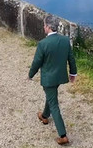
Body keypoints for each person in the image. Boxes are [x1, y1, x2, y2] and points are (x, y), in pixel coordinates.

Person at [28, 15, 78, 145]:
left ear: (49, 27)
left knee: (54, 104)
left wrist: (30, 75)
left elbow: (36, 62)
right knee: (51, 97)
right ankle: (44, 116)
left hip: (49, 79)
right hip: (59, 77)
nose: (43, 27)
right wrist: (73, 73)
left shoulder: (43, 44)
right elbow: (71, 59)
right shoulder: (65, 41)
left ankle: (63, 135)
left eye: (44, 25)